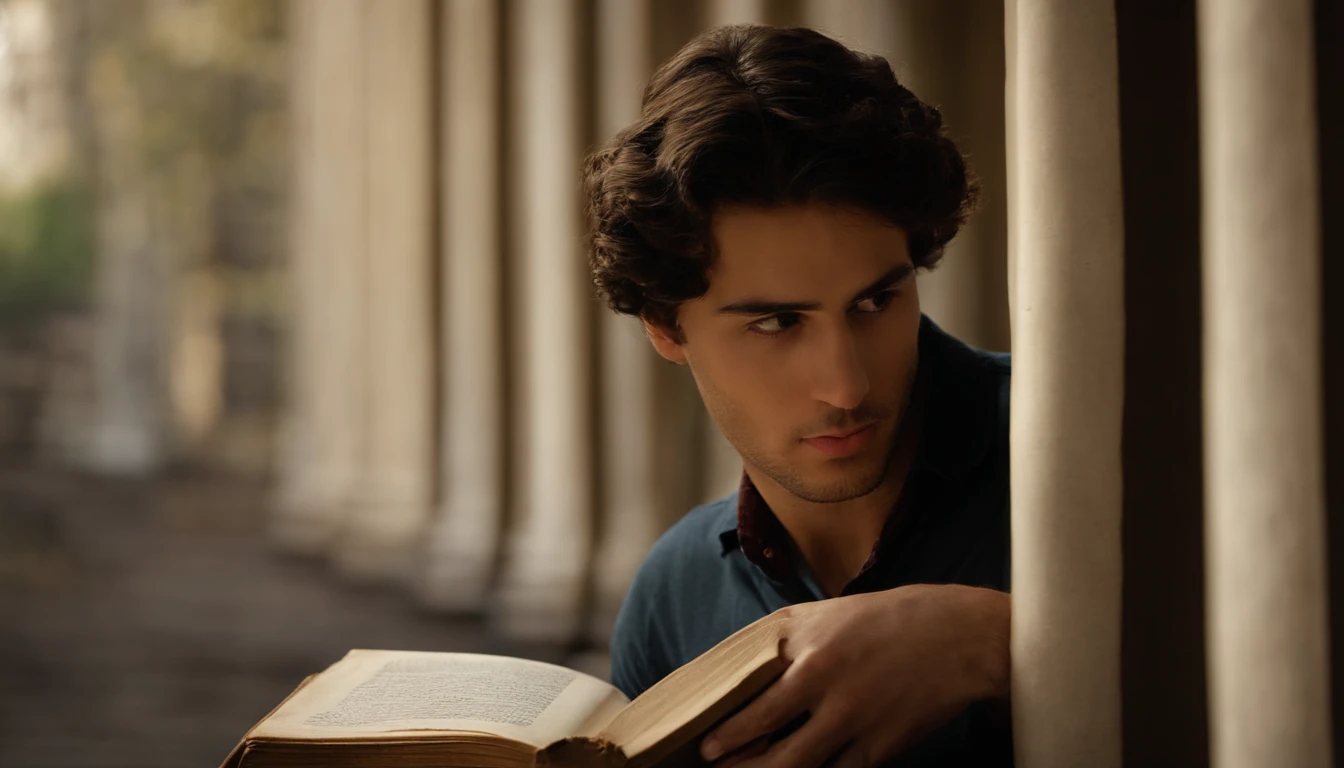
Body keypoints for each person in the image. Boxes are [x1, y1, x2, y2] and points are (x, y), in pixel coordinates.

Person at [583, 24, 1012, 768]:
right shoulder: (672, 594)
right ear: (664, 326)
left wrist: (998, 640)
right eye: (778, 323)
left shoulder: (1092, 457)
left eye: (876, 302)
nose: (847, 385)